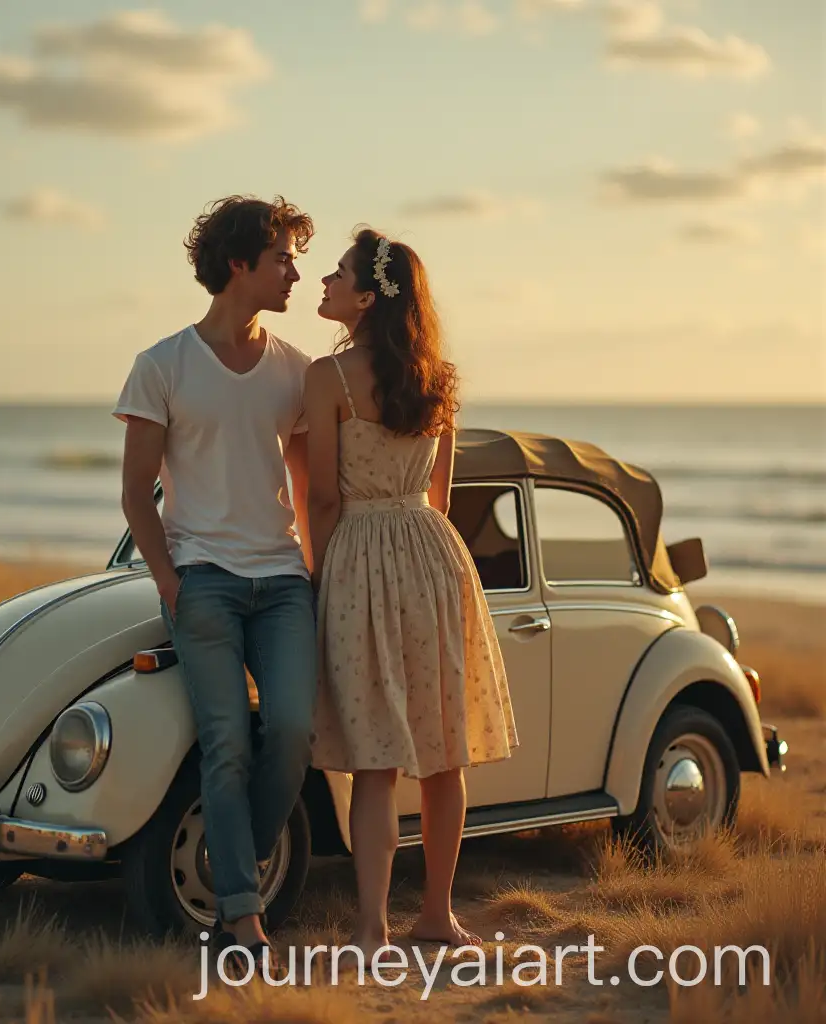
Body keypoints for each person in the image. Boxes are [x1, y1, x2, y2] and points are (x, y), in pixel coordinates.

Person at [304, 227, 519, 959]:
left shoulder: (328, 379)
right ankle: (437, 914)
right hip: (433, 557)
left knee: (375, 754)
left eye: (337, 275)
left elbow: (323, 498)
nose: (325, 284)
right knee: (441, 751)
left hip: (360, 557)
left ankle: (370, 927)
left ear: (367, 296)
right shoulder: (439, 377)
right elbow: (442, 492)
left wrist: (316, 577)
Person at [114, 195, 318, 963]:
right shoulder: (162, 365)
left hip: (282, 584)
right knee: (226, 742)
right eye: (282, 259)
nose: (294, 274)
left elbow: (307, 486)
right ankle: (242, 914)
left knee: (293, 731)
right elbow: (137, 492)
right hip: (202, 581)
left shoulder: (297, 373)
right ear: (239, 265)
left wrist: (312, 569)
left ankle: (241, 853)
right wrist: (170, 582)